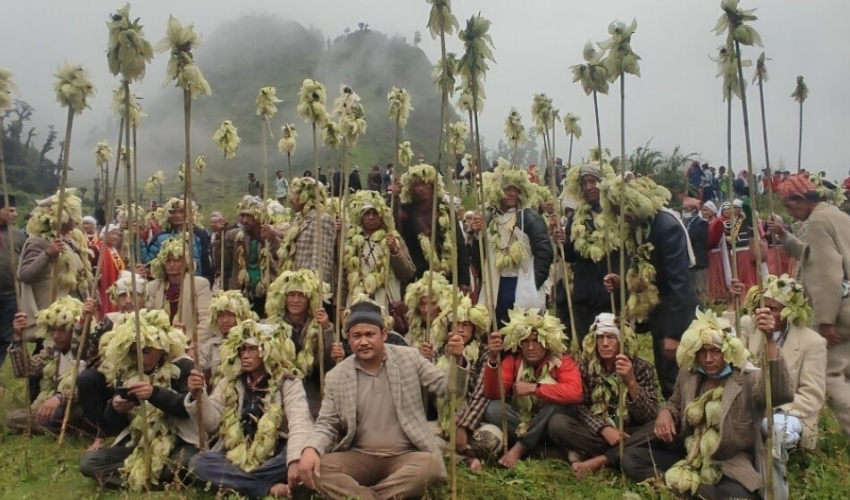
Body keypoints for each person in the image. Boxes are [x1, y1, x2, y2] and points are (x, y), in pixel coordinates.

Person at [297, 300, 469, 500]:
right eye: (357, 336)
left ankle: (362, 496)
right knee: (320, 468)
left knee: (432, 466)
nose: (363, 342)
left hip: (406, 455)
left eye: (370, 334)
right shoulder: (337, 375)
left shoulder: (409, 358)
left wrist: (457, 359)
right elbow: (326, 423)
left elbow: (449, 390)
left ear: (384, 335)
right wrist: (311, 449)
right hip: (361, 456)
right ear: (349, 340)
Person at [622, 308, 793, 500]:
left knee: (736, 495)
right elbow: (674, 402)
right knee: (631, 459)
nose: (708, 359)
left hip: (728, 465)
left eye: (715, 352)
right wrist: (666, 413)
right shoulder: (690, 375)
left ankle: (688, 491)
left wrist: (769, 340)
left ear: (729, 352)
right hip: (691, 458)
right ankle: (687, 488)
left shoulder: (747, 380)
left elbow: (779, 393)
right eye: (703, 352)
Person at [187, 320, 311, 499]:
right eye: (242, 350)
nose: (245, 355)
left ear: (267, 352)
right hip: (237, 455)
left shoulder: (288, 383)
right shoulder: (229, 382)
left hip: (276, 455)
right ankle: (270, 489)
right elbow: (212, 422)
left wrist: (294, 461)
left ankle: (237, 482)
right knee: (197, 463)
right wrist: (199, 395)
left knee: (292, 460)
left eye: (252, 350)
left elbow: (300, 422)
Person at [599, 175, 698, 398]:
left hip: (677, 319)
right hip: (659, 318)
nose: (623, 216)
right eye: (617, 211)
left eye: (625, 209)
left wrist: (674, 335)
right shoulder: (638, 228)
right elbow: (646, 274)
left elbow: (680, 286)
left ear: (637, 202)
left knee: (680, 380)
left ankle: (685, 428)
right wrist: (623, 281)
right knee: (666, 378)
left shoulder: (666, 227)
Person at [79, 309, 197, 491]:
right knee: (89, 463)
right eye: (135, 352)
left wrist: (154, 394)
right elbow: (113, 427)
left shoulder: (183, 365)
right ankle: (146, 478)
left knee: (186, 463)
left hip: (179, 443)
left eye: (146, 350)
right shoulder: (127, 372)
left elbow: (187, 408)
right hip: (139, 444)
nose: (140, 357)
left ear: (162, 346)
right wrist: (115, 407)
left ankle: (146, 478)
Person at [772, 173, 850, 439]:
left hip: (840, 312)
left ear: (803, 198)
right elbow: (812, 255)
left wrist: (825, 321)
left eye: (790, 206)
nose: (790, 212)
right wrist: (786, 238)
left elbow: (828, 273)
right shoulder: (835, 215)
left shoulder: (817, 221)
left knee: (830, 376)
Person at [739, 275, 826, 497]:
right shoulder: (750, 326)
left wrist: (774, 407)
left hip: (790, 412)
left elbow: (812, 396)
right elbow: (737, 356)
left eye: (774, 309)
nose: (766, 314)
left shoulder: (812, 343)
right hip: (750, 402)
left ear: (789, 312)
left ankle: (774, 493)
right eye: (763, 307)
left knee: (772, 429)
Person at [548, 313, 659, 477]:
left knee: (657, 428)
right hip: (597, 432)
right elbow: (579, 406)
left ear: (622, 341)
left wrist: (631, 382)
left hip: (629, 431)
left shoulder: (641, 368)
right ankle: (624, 452)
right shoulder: (585, 366)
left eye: (611, 338)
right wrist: (604, 429)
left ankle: (601, 459)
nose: (605, 344)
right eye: (600, 338)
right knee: (557, 424)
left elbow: (649, 415)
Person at [483, 307, 583, 468]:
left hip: (552, 425)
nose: (530, 347)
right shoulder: (513, 361)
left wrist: (535, 388)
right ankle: (538, 447)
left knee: (559, 404)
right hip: (522, 423)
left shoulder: (563, 361)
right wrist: (493, 360)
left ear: (548, 342)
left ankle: (521, 448)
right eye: (525, 341)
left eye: (536, 341)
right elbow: (494, 393)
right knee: (493, 408)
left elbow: (575, 392)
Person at [471, 160, 553, 327]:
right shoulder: (489, 218)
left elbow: (545, 253)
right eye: (507, 189)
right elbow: (479, 259)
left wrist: (531, 284)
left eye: (515, 189)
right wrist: (476, 235)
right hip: (497, 285)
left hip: (523, 283)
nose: (511, 193)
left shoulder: (529, 217)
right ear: (498, 191)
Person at [76, 271, 147, 452]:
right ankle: (100, 432)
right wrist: (84, 322)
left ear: (144, 298)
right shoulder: (109, 320)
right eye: (123, 296)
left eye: (134, 295)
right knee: (87, 379)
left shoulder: (151, 319)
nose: (128, 301)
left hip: (139, 377)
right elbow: (85, 353)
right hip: (109, 373)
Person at [5, 296, 88, 434]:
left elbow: (85, 389)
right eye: (53, 330)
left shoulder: (88, 352)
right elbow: (24, 370)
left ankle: (55, 425)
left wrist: (60, 398)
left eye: (62, 330)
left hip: (75, 406)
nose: (56, 336)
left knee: (76, 412)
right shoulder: (51, 351)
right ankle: (49, 424)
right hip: (53, 407)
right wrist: (18, 337)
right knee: (13, 418)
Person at [18, 189, 93, 340]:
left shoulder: (73, 239)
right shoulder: (38, 241)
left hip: (74, 313)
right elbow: (25, 275)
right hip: (54, 318)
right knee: (49, 356)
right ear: (62, 217)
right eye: (73, 215)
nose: (77, 219)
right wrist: (47, 254)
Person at [560, 163, 622, 341]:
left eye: (592, 182)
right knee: (586, 346)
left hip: (610, 296)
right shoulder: (577, 217)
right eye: (584, 183)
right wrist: (563, 242)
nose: (588, 187)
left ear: (602, 183)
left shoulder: (616, 215)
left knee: (610, 346)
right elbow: (571, 256)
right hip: (584, 296)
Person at [265, 268, 334, 417]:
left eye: (301, 296)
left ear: (310, 299)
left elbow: (329, 363)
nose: (295, 300)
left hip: (309, 387)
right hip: (279, 384)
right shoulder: (271, 326)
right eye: (291, 295)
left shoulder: (318, 325)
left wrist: (327, 330)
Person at [397, 163, 470, 292]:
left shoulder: (446, 211)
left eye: (425, 184)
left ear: (433, 186)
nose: (421, 189)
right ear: (410, 189)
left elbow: (459, 245)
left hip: (450, 278)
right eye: (416, 185)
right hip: (420, 281)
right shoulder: (405, 214)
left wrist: (464, 280)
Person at [341, 190, 415, 311]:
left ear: (382, 217)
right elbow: (343, 278)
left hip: (386, 301)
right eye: (367, 213)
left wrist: (395, 251)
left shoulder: (393, 238)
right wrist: (340, 306)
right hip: (356, 300)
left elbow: (407, 273)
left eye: (375, 213)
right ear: (361, 216)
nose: (371, 217)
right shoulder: (351, 241)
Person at [217, 196, 280, 316]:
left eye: (249, 216)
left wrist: (271, 239)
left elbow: (280, 257)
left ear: (259, 216)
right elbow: (224, 264)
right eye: (243, 216)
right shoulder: (236, 237)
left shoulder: (271, 235)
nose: (244, 220)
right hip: (244, 292)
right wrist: (220, 238)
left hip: (268, 293)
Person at [145, 236, 213, 348]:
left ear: (185, 262)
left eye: (176, 260)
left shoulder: (199, 284)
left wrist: (195, 346)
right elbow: (149, 318)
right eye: (168, 260)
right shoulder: (154, 287)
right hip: (161, 345)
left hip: (190, 344)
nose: (171, 265)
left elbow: (207, 321)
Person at [277, 176, 336, 287]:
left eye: (295, 194)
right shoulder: (298, 219)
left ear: (307, 196)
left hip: (308, 289)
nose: (291, 199)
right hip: (295, 286)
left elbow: (321, 261)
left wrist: (313, 289)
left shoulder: (321, 219)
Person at [141, 197, 214, 285]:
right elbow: (148, 261)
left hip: (193, 285)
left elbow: (206, 262)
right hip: (167, 285)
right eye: (173, 212)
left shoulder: (199, 234)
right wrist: (137, 240)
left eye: (181, 211)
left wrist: (207, 283)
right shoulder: (160, 236)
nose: (177, 215)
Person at [198, 289, 256, 379]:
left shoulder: (251, 344)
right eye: (220, 315)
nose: (225, 320)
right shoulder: (210, 346)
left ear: (241, 316)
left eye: (230, 315)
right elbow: (199, 372)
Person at [0, 194, 23, 372]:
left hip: (10, 294)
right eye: (9, 210)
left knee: (6, 335)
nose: (14, 214)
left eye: (15, 210)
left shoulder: (17, 236)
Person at [683, 197, 709, 303]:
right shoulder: (687, 224)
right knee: (692, 289)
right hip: (690, 262)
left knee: (700, 289)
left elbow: (694, 237)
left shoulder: (701, 223)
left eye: (687, 209)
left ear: (694, 210)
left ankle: (703, 309)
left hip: (699, 261)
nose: (684, 212)